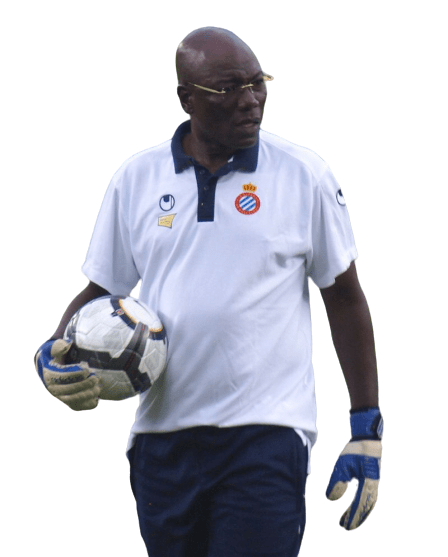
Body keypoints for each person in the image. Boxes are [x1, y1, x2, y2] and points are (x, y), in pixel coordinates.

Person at [35, 27, 383, 557]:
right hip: (162, 441)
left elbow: (346, 297)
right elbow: (103, 290)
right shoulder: (137, 179)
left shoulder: (302, 175)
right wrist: (50, 353)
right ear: (187, 99)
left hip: (265, 434)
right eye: (229, 89)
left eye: (257, 83)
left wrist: (366, 425)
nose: (251, 101)